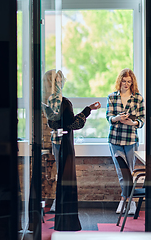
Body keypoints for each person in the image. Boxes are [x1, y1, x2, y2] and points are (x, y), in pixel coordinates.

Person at [42, 69, 101, 231]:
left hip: (63, 142)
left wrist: (87, 110)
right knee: (65, 180)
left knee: (64, 179)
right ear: (51, 83)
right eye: (56, 81)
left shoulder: (57, 100)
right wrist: (87, 110)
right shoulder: (56, 100)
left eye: (61, 80)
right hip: (63, 144)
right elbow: (70, 124)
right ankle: (65, 220)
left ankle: (63, 218)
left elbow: (61, 124)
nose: (60, 83)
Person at [106, 68, 145, 215]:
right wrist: (117, 118)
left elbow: (142, 119)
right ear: (120, 81)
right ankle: (127, 200)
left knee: (130, 171)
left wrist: (133, 123)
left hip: (130, 139)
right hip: (115, 139)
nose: (126, 83)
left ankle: (127, 200)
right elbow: (109, 117)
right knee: (122, 172)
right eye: (124, 80)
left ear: (132, 82)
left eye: (129, 81)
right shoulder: (112, 97)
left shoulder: (138, 98)